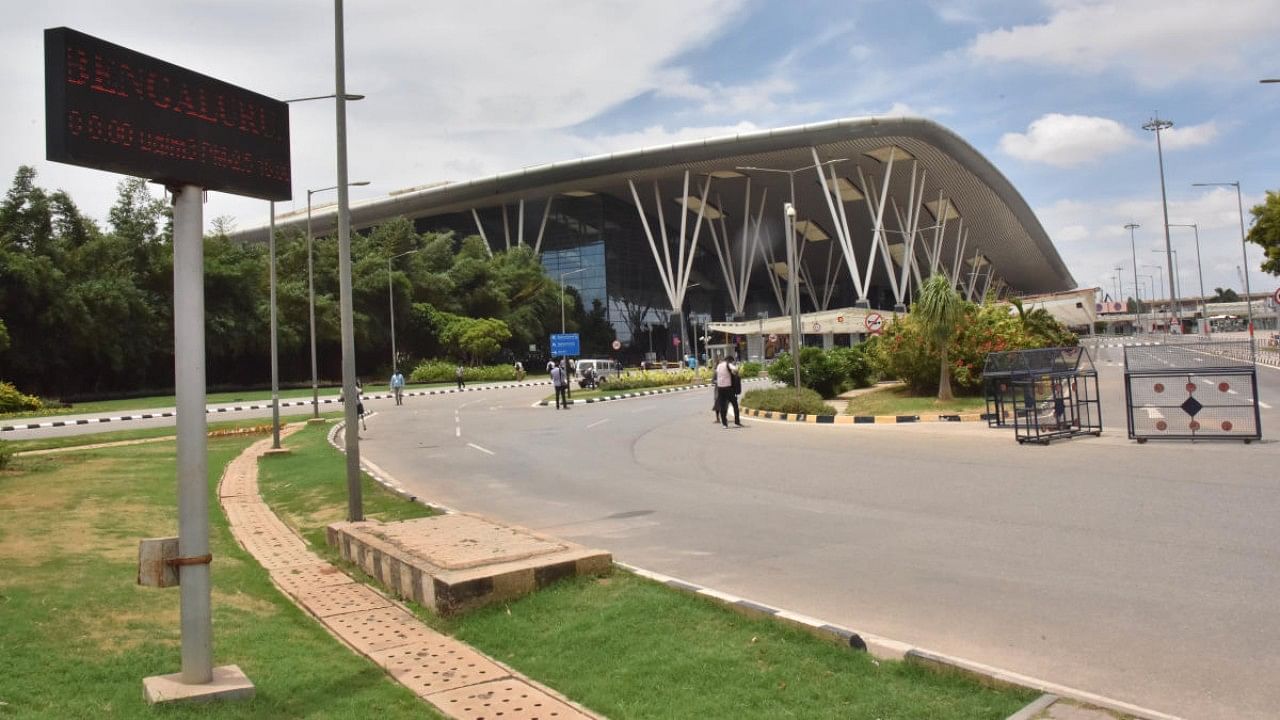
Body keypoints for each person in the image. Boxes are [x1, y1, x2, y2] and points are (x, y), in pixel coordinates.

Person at [715, 354, 742, 428]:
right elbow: (736, 370)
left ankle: (724, 424)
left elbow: (717, 373)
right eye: (732, 361)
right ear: (729, 360)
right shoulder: (728, 364)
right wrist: (736, 369)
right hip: (728, 388)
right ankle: (737, 422)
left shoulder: (719, 365)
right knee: (735, 405)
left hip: (720, 388)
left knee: (722, 406)